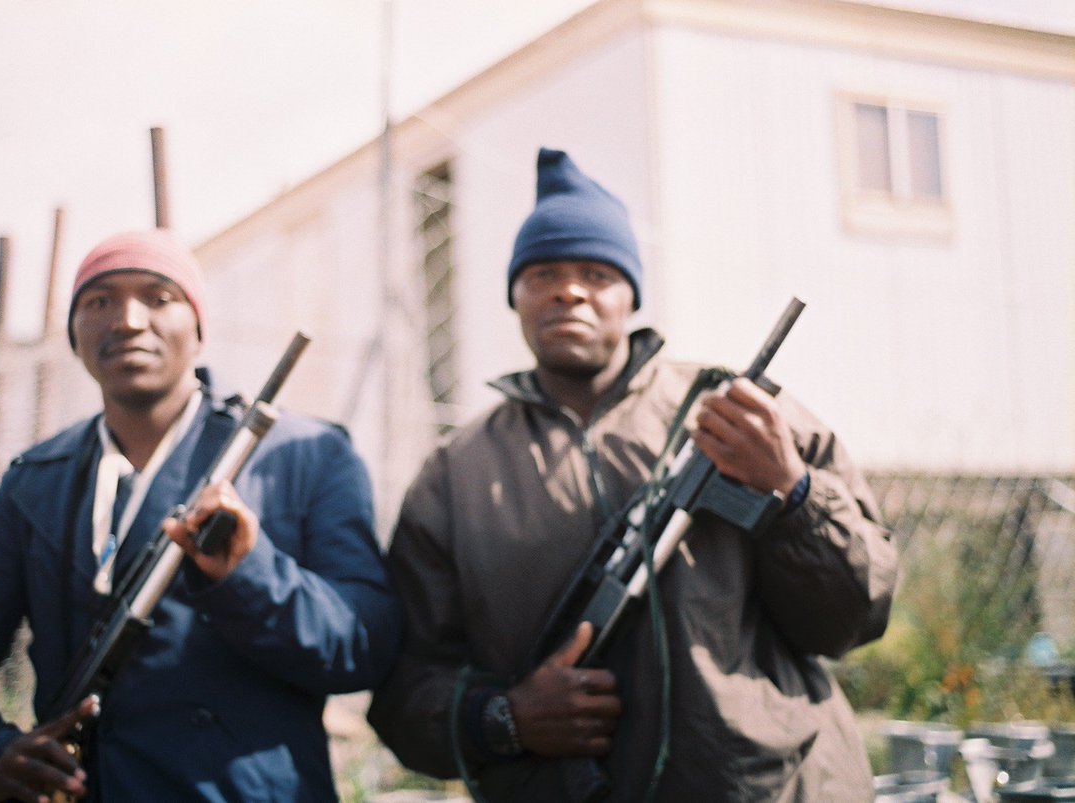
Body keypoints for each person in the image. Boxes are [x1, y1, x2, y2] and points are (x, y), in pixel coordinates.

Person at [367, 148, 898, 801]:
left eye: (596, 271)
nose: (569, 289)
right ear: (515, 296)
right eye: (543, 273)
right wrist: (503, 718)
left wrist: (793, 489)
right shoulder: (456, 475)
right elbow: (403, 689)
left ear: (631, 295)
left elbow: (858, 613)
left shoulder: (743, 415)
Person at [0, 229, 402, 803]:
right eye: (98, 300)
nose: (128, 320)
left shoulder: (306, 456)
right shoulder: (37, 481)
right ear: (74, 334)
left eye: (160, 297)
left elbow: (364, 645)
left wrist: (248, 573)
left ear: (199, 328)